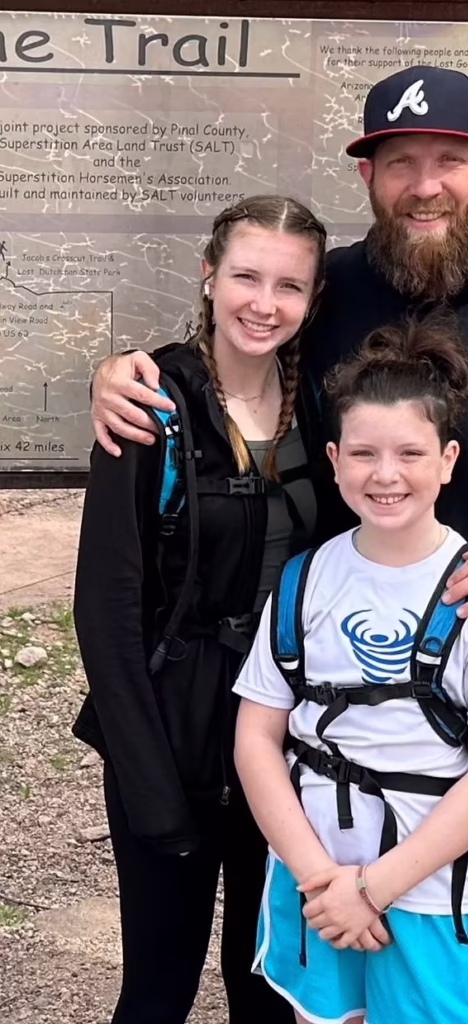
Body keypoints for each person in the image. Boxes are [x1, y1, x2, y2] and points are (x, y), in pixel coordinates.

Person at [89, 66, 468, 1024]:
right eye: (399, 161)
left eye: (449, 160)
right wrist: (124, 370)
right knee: (334, 970)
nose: (425, 183)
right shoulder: (333, 291)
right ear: (371, 177)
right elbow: (238, 342)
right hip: (352, 706)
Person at [73, 194, 338, 1024]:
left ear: (312, 299)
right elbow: (107, 607)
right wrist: (147, 781)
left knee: (264, 984)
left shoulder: (321, 405)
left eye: (288, 286)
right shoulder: (152, 404)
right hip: (174, 725)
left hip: (286, 734)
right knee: (160, 985)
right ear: (210, 277)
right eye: (247, 278)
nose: (265, 304)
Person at [233, 315, 468, 1024]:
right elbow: (256, 738)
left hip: (426, 896)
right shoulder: (305, 581)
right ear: (334, 460)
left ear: (448, 459)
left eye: (410, 452)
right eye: (364, 453)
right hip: (314, 884)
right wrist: (322, 883)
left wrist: (372, 889)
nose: (387, 474)